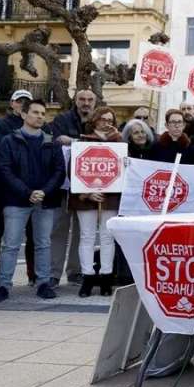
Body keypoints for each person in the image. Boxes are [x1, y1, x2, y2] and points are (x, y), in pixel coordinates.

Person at [0, 99, 64, 303]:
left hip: (45, 201)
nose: (40, 116)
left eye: (43, 113)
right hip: (16, 200)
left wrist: (44, 192)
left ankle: (43, 284)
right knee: (11, 245)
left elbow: (59, 172)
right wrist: (27, 192)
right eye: (35, 112)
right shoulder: (8, 141)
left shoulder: (52, 142)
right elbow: (4, 170)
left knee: (43, 243)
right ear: (23, 115)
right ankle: (3, 286)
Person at [70, 107, 122, 298]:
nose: (106, 122)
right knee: (87, 236)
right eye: (102, 119)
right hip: (86, 195)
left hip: (111, 196)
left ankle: (107, 277)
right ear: (95, 120)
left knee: (108, 237)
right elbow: (74, 168)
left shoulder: (119, 142)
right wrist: (87, 192)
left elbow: (123, 169)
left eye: (110, 119)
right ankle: (88, 277)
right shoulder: (83, 140)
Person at [49, 88, 96, 287]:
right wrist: (84, 141)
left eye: (90, 100)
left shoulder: (99, 121)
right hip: (64, 186)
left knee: (81, 232)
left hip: (88, 188)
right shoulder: (62, 119)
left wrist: (75, 141)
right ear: (76, 101)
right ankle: (53, 273)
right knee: (59, 230)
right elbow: (58, 141)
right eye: (82, 99)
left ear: (95, 102)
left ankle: (75, 272)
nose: (86, 103)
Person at [0, 89, 36, 285]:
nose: (22, 105)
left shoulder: (39, 126)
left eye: (26, 102)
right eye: (19, 101)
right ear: (12, 104)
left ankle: (34, 277)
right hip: (4, 190)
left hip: (31, 190)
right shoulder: (0, 125)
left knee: (34, 238)